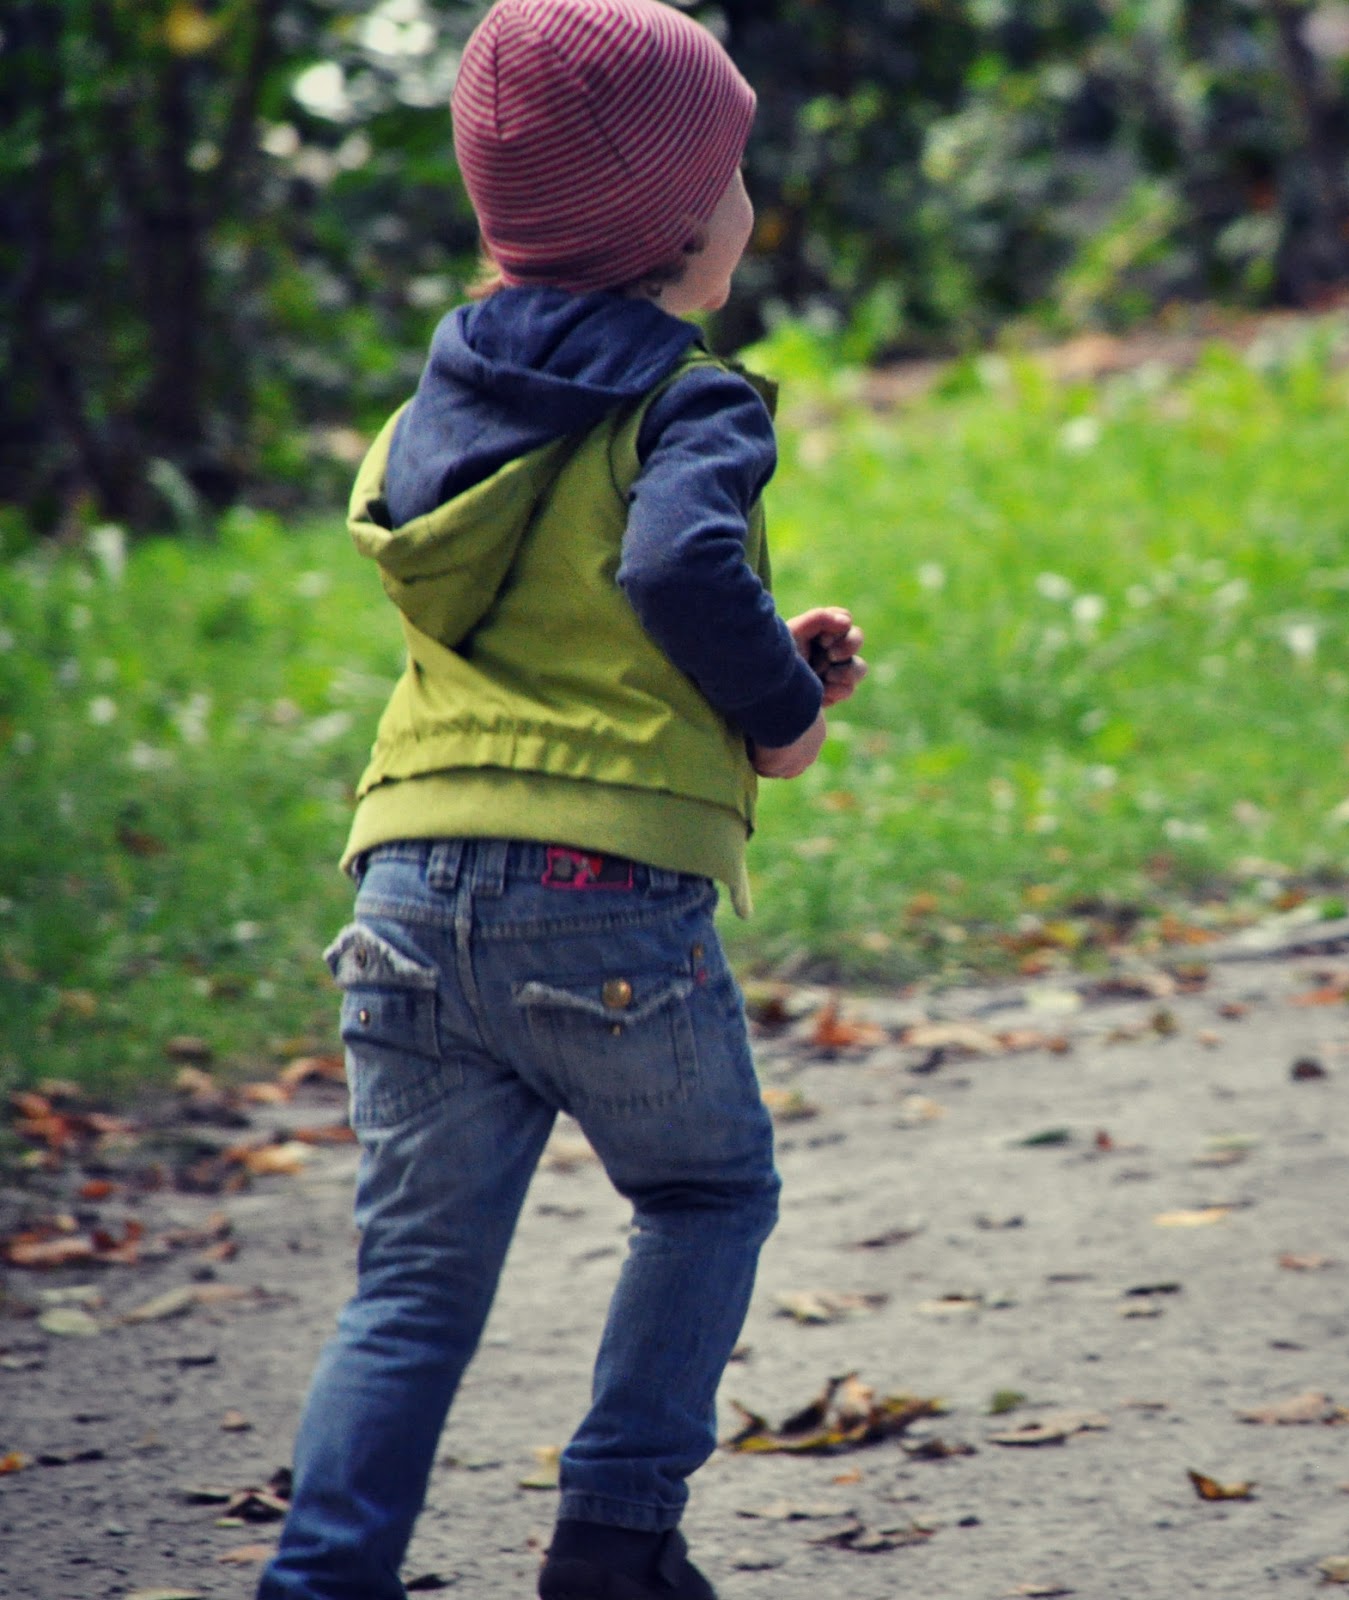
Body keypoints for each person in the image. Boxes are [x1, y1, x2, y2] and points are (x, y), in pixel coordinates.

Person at [257, 3, 865, 1598]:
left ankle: (320, 1581)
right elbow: (674, 566)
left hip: (405, 886)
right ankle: (614, 1533)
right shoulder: (690, 400)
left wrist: (755, 656)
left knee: (409, 1290)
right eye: (734, 172)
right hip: (598, 900)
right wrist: (784, 715)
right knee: (707, 1190)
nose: (748, 201)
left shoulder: (435, 416)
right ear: (682, 225)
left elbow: (579, 603)